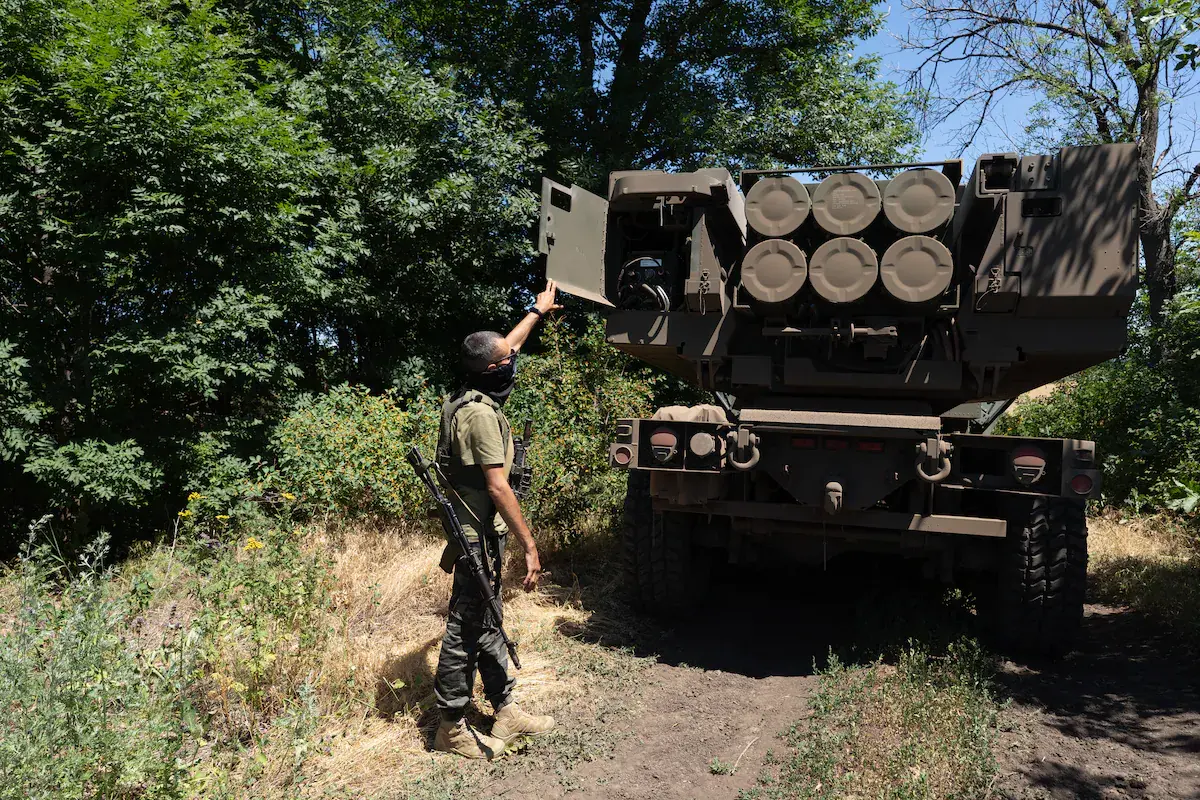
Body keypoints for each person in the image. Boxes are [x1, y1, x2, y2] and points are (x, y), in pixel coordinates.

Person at [431, 279, 563, 760]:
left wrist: (537, 311)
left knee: (488, 615)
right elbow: (497, 486)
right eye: (506, 360)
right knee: (465, 626)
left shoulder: (473, 391)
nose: (513, 362)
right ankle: (449, 726)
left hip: (481, 530)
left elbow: (509, 346)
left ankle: (505, 707)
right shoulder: (481, 417)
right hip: (475, 533)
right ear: (491, 369)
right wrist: (530, 544)